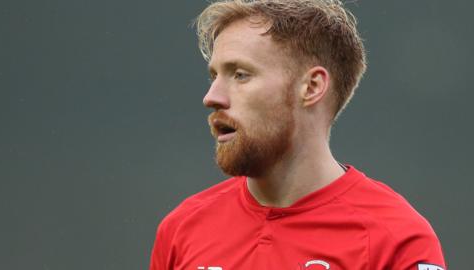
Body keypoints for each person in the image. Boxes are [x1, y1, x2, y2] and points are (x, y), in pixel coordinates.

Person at [150, 0, 446, 269]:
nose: (212, 97)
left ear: (312, 87)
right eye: (214, 76)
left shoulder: (396, 239)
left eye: (240, 74)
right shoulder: (181, 229)